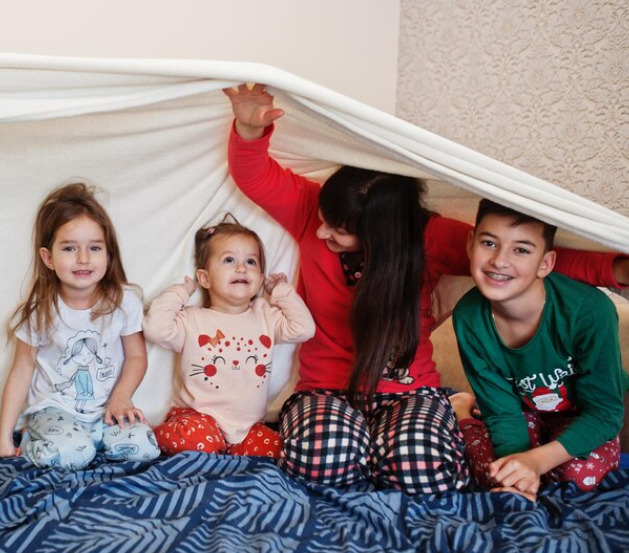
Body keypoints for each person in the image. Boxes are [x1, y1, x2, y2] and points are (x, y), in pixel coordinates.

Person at [223, 83, 629, 494]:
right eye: (326, 221)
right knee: (320, 462)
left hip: (410, 391)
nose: (323, 231)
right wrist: (249, 128)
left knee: (422, 470)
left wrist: (616, 269)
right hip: (327, 388)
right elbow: (255, 176)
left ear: (383, 234)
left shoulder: (427, 237)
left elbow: (522, 257)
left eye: (341, 232)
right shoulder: (312, 210)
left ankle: (389, 445)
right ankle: (361, 447)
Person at [451, 199, 627, 501]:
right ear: (470, 244)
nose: (500, 261)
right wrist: (517, 475)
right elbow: (503, 415)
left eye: (521, 249)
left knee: (578, 478)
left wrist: (536, 462)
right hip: (520, 411)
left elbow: (605, 412)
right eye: (490, 243)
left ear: (545, 263)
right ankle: (462, 410)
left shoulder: (589, 312)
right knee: (488, 473)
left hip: (585, 414)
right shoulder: (469, 317)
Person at [0, 182, 160, 470]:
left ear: (108, 255)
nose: (83, 258)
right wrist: (4, 438)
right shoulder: (40, 310)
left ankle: (91, 442)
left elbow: (136, 356)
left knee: (144, 448)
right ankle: (37, 434)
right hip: (56, 410)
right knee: (74, 454)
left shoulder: (124, 301)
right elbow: (21, 372)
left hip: (106, 409)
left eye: (94, 248)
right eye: (70, 248)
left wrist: (122, 396)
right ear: (48, 257)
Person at [144, 217, 315, 458]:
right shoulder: (193, 319)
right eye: (229, 260)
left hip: (247, 430)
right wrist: (181, 292)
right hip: (198, 420)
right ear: (205, 278)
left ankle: (229, 452)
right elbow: (155, 328)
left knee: (279, 451)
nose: (241, 268)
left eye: (251, 262)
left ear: (260, 278)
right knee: (198, 441)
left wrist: (280, 291)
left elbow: (304, 329)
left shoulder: (265, 316)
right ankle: (153, 434)